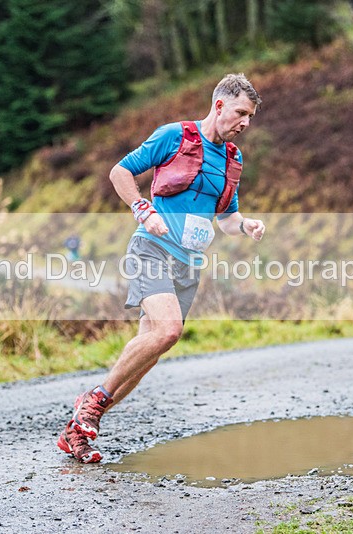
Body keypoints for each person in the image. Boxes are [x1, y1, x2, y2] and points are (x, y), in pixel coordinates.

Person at [57, 73, 266, 463]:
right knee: (169, 331)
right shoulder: (175, 135)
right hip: (152, 248)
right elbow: (120, 172)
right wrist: (142, 208)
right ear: (219, 105)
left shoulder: (233, 159)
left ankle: (77, 433)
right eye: (240, 112)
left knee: (146, 356)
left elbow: (227, 218)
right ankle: (92, 403)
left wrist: (247, 224)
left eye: (250, 117)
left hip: (189, 265)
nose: (245, 123)